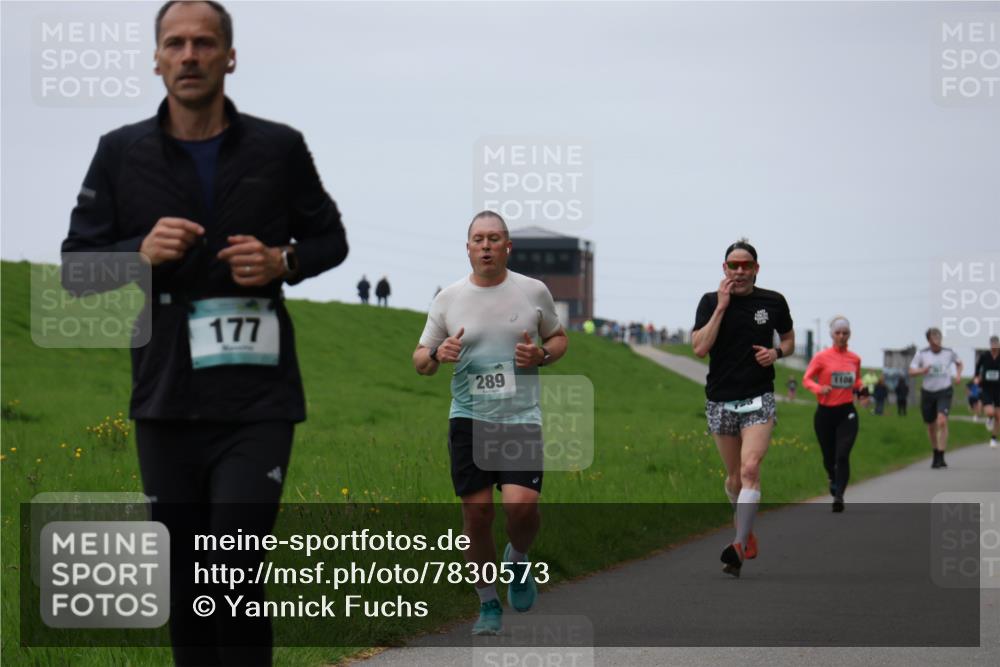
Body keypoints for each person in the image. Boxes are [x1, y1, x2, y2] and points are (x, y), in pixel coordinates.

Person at [61, 2, 348, 664]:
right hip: (165, 397)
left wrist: (285, 261)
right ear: (157, 60)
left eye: (203, 43)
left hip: (258, 399)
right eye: (175, 43)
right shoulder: (119, 152)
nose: (189, 54)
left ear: (229, 57)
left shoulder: (279, 147)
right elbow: (78, 268)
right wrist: (138, 251)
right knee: (188, 582)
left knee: (234, 566)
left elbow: (331, 238)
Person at [413, 211, 568, 634]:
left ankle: (517, 561)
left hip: (520, 418)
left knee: (522, 507)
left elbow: (558, 338)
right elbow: (420, 360)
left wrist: (542, 355)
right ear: (467, 248)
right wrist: (436, 355)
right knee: (476, 515)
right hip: (469, 419)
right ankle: (487, 604)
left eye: (494, 239)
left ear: (507, 247)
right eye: (478, 239)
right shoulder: (448, 298)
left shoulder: (533, 291)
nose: (486, 246)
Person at [691, 239, 794, 577]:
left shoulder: (773, 301)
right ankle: (745, 531)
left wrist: (776, 353)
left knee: (750, 469)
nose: (739, 271)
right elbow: (699, 348)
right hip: (721, 398)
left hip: (758, 397)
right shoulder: (709, 302)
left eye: (745, 265)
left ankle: (737, 544)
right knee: (735, 478)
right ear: (724, 269)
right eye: (733, 265)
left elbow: (789, 340)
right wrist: (721, 307)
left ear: (756, 269)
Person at [802, 317, 869, 512]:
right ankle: (832, 476)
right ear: (832, 334)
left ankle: (839, 495)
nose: (841, 336)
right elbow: (807, 379)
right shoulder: (821, 357)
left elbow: (855, 381)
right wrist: (819, 388)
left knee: (842, 454)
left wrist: (863, 389)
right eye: (838, 333)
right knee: (828, 456)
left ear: (849, 335)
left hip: (847, 412)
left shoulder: (854, 359)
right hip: (824, 414)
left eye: (845, 333)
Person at [909, 328, 963, 468]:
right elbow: (911, 371)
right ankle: (935, 452)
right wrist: (922, 370)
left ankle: (941, 454)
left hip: (944, 390)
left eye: (938, 337)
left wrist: (958, 375)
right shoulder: (921, 353)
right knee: (931, 426)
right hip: (928, 392)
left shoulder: (949, 352)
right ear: (929, 340)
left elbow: (959, 363)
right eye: (934, 338)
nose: (937, 341)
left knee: (942, 421)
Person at [974, 335, 1000, 448]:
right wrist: (976, 377)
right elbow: (977, 368)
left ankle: (993, 439)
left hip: (999, 388)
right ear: (990, 345)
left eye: (996, 343)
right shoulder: (984, 356)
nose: (994, 345)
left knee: (999, 416)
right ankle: (989, 418)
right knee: (990, 412)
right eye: (992, 343)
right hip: (986, 388)